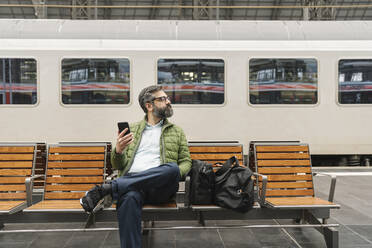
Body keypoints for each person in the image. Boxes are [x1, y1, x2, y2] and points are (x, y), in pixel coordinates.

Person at [80, 85, 192, 248]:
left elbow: (186, 162)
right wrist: (118, 151)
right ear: (149, 105)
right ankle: (114, 187)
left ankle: (108, 189)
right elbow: (118, 165)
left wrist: (175, 173)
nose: (168, 102)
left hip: (160, 187)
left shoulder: (176, 131)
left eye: (168, 98)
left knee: (173, 168)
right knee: (129, 198)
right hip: (132, 186)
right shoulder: (132, 129)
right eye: (163, 99)